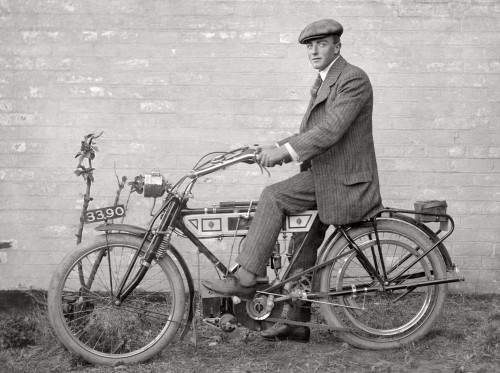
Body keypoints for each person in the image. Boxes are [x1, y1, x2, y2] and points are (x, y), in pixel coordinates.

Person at [202, 19, 384, 342]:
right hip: (328, 176)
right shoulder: (326, 81)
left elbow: (329, 132)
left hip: (343, 180)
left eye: (322, 44)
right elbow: (308, 135)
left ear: (337, 47)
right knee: (301, 242)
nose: (314, 50)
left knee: (272, 196)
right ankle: (297, 323)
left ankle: (245, 278)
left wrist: (283, 152)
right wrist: (271, 148)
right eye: (309, 46)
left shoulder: (352, 79)